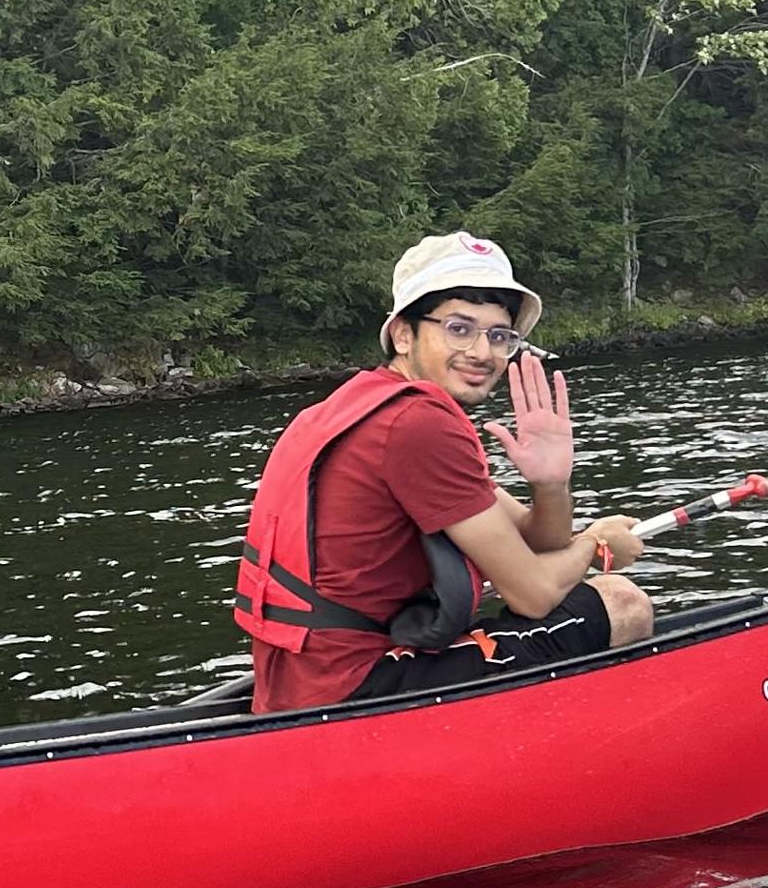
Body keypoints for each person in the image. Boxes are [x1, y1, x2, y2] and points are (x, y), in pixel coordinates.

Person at [231, 234, 654, 714]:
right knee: (621, 602)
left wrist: (550, 484)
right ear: (404, 334)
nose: (483, 351)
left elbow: (540, 541)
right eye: (459, 328)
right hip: (356, 688)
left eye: (500, 336)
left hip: (299, 682)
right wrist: (597, 546)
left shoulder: (364, 405)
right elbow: (534, 593)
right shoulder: (418, 424)